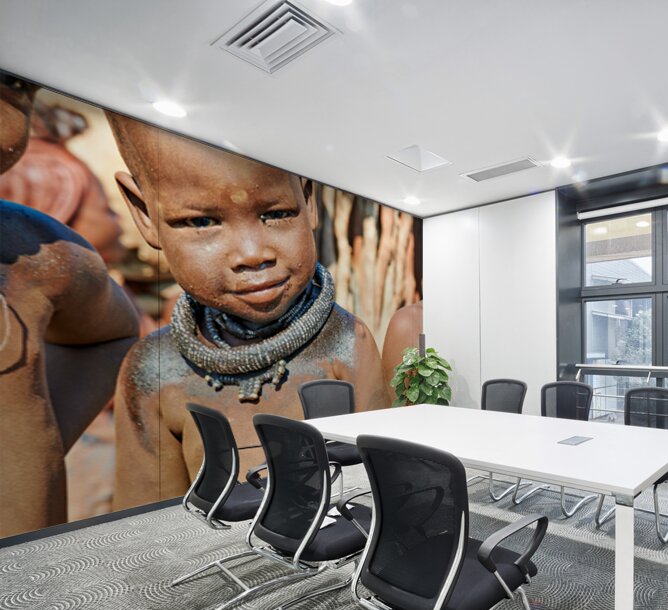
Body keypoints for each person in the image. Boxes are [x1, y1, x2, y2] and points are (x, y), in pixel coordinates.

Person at [106, 115, 388, 508]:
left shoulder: (345, 342)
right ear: (144, 214)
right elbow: (147, 522)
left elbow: (374, 490)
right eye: (201, 221)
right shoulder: (153, 369)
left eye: (277, 213)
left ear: (308, 199)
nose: (253, 254)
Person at [0, 73, 140, 537]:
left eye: (17, 85)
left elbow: (109, 333)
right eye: (107, 206)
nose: (120, 222)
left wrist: (32, 447)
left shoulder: (37, 260)